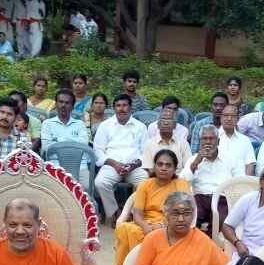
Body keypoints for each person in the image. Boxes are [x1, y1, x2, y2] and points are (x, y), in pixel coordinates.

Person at [93, 94, 148, 222]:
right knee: (100, 182)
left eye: (124, 105)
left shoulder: (140, 126)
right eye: (118, 106)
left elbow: (145, 152)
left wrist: (133, 165)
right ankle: (115, 212)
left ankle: (132, 212)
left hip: (134, 166)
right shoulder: (105, 125)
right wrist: (113, 163)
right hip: (112, 165)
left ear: (130, 108)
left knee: (145, 183)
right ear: (113, 108)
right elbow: (98, 150)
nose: (121, 109)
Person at [181, 125, 240, 233]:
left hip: (222, 198)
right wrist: (196, 163)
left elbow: (239, 181)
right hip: (199, 197)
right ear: (200, 141)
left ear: (218, 141)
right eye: (204, 139)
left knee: (221, 220)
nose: (208, 142)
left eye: (211, 139)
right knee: (191, 219)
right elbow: (182, 182)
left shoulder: (230, 159)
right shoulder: (193, 159)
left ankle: (211, 246)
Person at [141, 108, 191, 172]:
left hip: (178, 179)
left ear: (175, 125)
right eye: (163, 119)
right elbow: (148, 168)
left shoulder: (183, 144)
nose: (166, 122)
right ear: (158, 124)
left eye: (169, 119)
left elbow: (188, 167)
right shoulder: (149, 144)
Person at [40, 88, 88, 153]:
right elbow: (46, 147)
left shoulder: (80, 124)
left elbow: (84, 145)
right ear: (56, 104)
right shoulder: (47, 123)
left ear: (72, 106)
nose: (63, 105)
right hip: (55, 161)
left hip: (78, 160)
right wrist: (74, 142)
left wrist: (58, 140)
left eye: (67, 103)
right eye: (61, 102)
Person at [216, 103, 256, 176]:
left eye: (233, 116)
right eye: (226, 115)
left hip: (239, 184)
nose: (229, 119)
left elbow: (250, 165)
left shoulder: (245, 140)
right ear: (221, 117)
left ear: (238, 119)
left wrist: (245, 184)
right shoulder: (213, 138)